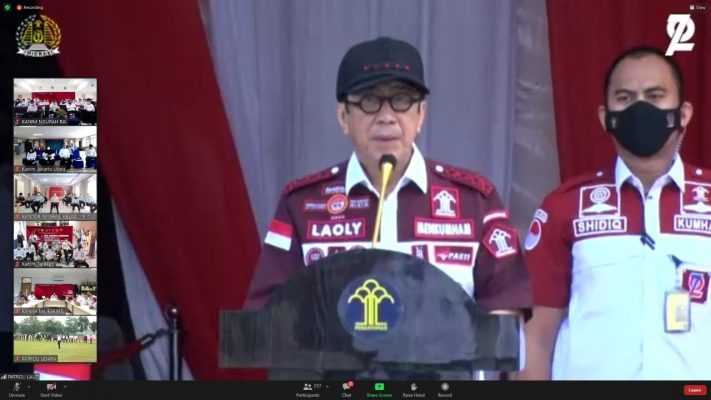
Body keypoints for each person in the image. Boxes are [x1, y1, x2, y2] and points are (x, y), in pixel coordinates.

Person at [245, 37, 531, 325]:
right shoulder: (303, 205)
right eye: (369, 101)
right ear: (343, 116)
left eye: (401, 100)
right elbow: (266, 318)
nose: (386, 117)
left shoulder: (475, 202)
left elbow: (506, 310)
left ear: (421, 114)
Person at [520, 46, 708, 380]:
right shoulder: (565, 207)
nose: (640, 108)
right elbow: (535, 340)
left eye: (655, 96)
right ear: (604, 116)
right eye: (625, 98)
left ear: (683, 114)